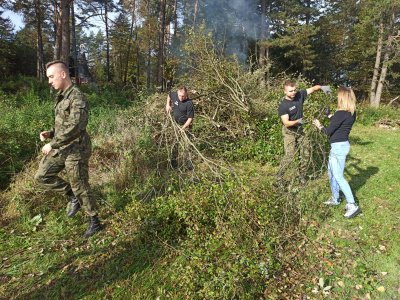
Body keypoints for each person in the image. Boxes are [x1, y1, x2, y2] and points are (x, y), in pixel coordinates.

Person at [35, 60, 102, 238]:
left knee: (80, 184)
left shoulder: (77, 96)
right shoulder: (62, 95)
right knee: (42, 175)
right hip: (63, 145)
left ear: (63, 74)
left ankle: (94, 221)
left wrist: (52, 144)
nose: (49, 81)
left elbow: (76, 127)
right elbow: (64, 123)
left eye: (51, 76)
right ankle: (72, 196)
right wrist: (51, 133)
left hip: (77, 147)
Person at [313, 87, 360, 218]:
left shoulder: (341, 113)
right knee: (331, 172)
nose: (337, 98)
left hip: (338, 147)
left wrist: (319, 125)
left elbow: (328, 131)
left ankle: (352, 204)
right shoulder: (351, 112)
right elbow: (339, 122)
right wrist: (329, 115)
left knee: (338, 176)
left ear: (342, 98)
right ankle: (335, 198)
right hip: (341, 146)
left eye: (339, 96)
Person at [277, 80, 331, 181]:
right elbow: (286, 123)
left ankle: (301, 175)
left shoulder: (299, 95)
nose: (293, 93)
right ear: (285, 91)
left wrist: (322, 87)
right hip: (289, 132)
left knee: (306, 152)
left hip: (300, 130)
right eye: (290, 91)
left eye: (294, 90)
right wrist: (298, 121)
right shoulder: (283, 106)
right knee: (289, 155)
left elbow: (313, 89)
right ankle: (279, 177)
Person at [165, 86, 194, 168]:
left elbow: (190, 119)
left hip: (186, 126)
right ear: (177, 93)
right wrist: (168, 104)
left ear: (186, 94)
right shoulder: (174, 95)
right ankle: (173, 164)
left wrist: (183, 128)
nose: (182, 97)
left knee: (188, 145)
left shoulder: (189, 103)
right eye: (180, 95)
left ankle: (189, 165)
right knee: (174, 144)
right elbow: (169, 95)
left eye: (184, 96)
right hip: (175, 125)